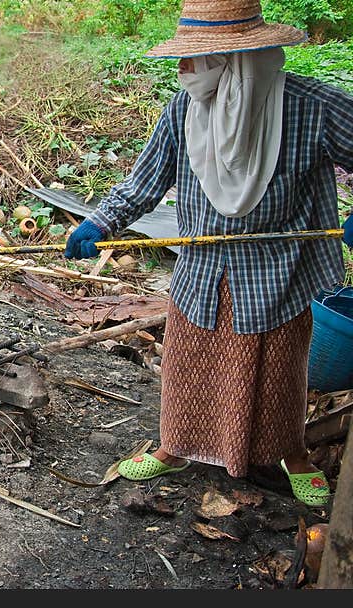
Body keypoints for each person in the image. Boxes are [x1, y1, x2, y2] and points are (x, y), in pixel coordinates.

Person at [63, 0, 353, 506]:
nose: (181, 71)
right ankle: (177, 448)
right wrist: (99, 221)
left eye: (191, 59)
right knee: (188, 363)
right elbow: (145, 181)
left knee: (279, 370)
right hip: (201, 269)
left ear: (234, 60)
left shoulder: (313, 106)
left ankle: (292, 454)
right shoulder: (185, 110)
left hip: (277, 271)